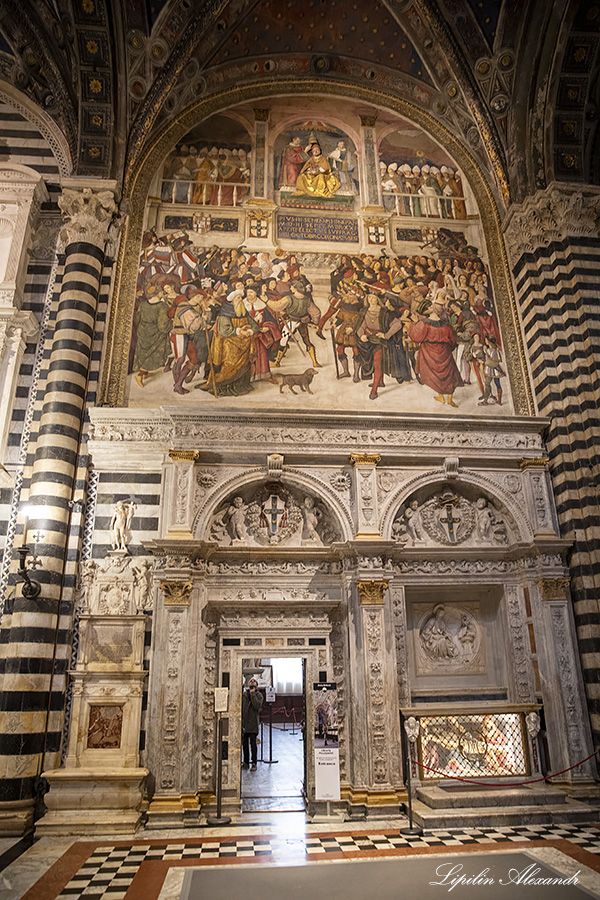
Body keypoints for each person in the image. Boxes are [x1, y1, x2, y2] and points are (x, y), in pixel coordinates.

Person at [242, 677, 263, 770]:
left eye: (254, 681)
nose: (252, 682)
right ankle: (246, 762)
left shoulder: (259, 695)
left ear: (256, 684)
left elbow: (257, 705)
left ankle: (254, 762)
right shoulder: (244, 695)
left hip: (253, 722)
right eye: (251, 681)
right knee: (245, 744)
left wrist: (253, 694)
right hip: (245, 722)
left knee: (253, 744)